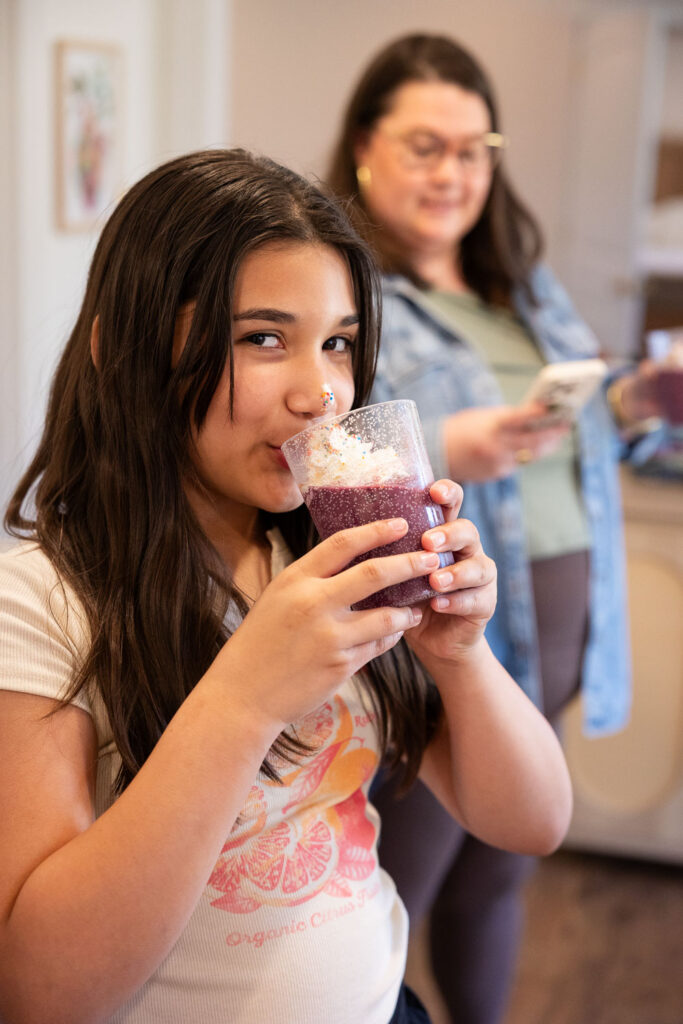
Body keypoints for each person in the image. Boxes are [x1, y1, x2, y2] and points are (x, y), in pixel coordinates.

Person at [0, 148, 572, 1024]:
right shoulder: (41, 603)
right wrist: (243, 698)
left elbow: (532, 823)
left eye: (338, 342)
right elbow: (41, 993)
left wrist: (459, 657)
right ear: (125, 351)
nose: (321, 394)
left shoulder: (326, 564)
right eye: (262, 338)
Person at [326, 33, 668, 1024]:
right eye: (425, 145)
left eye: (474, 149)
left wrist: (636, 400)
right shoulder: (347, 291)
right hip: (443, 641)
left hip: (556, 640)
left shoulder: (518, 282)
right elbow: (320, 445)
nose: (453, 172)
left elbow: (579, 422)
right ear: (364, 146)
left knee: (498, 875)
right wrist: (449, 443)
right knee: (389, 896)